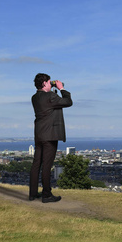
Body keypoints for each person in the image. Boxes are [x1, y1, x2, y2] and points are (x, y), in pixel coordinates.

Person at [29, 73, 73, 203]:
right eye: (49, 82)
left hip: (39, 135)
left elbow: (49, 106)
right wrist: (61, 89)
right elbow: (68, 102)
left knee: (36, 164)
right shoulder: (51, 96)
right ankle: (46, 195)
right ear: (44, 83)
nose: (50, 83)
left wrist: (54, 90)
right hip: (50, 136)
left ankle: (32, 193)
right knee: (47, 166)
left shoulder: (34, 97)